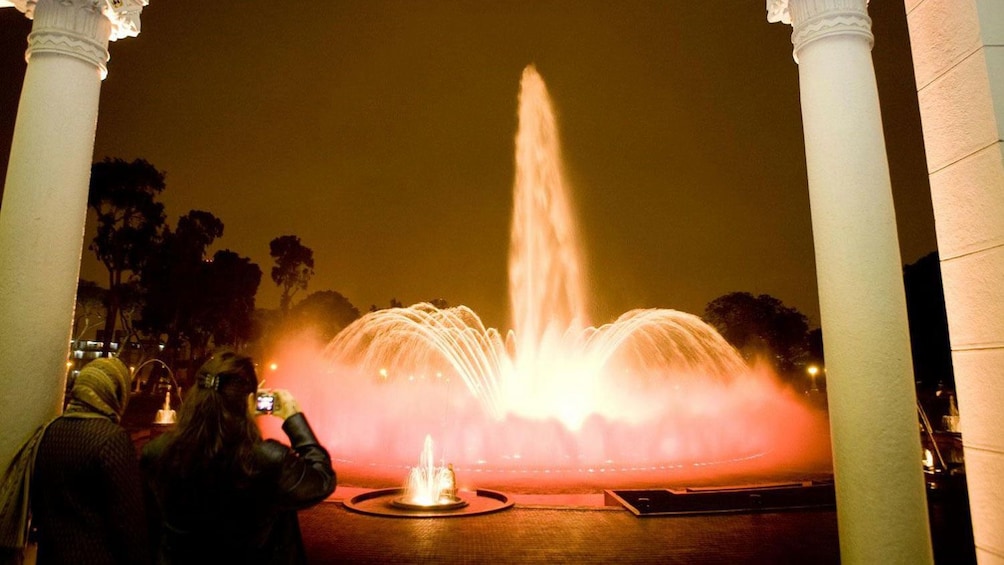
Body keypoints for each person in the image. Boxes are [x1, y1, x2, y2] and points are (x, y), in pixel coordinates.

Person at [141, 349, 335, 565]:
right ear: (250, 400)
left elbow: (151, 527)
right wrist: (293, 418)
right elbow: (322, 480)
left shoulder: (156, 454)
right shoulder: (267, 460)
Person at [30, 356, 150, 564]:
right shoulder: (112, 439)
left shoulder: (49, 431)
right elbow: (129, 524)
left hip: (50, 556)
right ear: (117, 393)